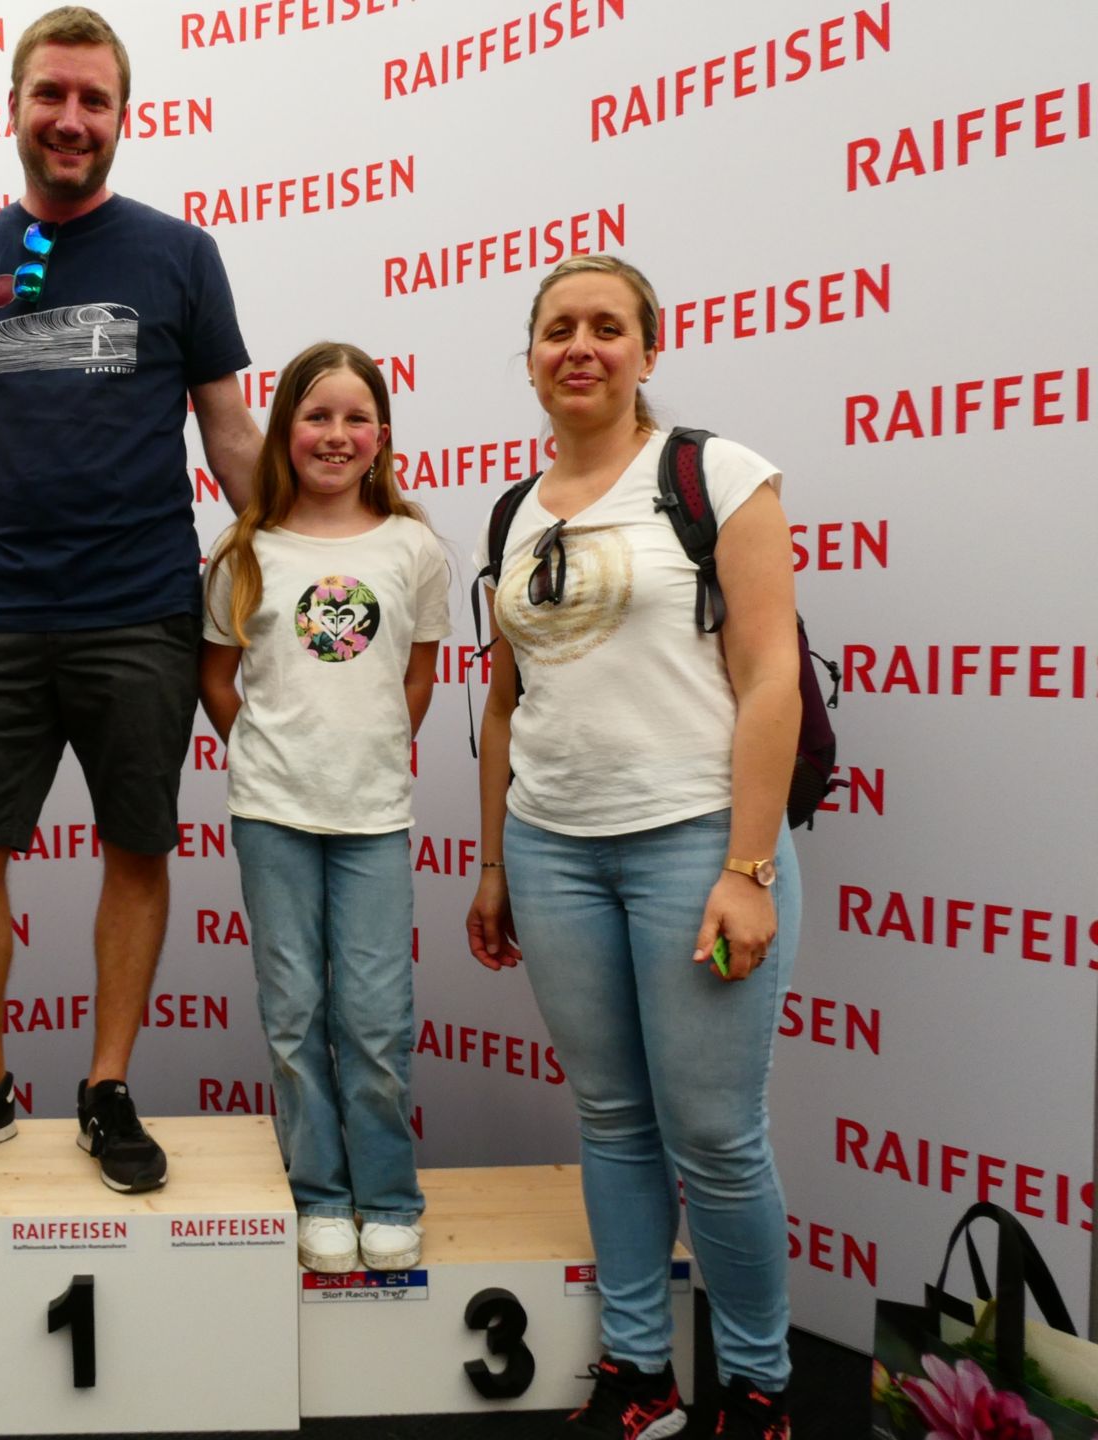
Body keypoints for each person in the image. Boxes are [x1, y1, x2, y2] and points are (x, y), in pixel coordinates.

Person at [0, 6, 261, 1193]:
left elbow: (230, 431)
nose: (71, 118)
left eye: (94, 99)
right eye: (53, 95)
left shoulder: (181, 254)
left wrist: (307, 556)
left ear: (123, 117)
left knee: (135, 849)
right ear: (15, 107)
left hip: (144, 609)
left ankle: (106, 1087)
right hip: (0, 610)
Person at [465, 254, 802, 1440]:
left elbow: (771, 678)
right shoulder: (513, 513)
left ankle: (757, 1385)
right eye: (558, 328)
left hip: (696, 845)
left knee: (714, 1138)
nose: (581, 347)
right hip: (553, 852)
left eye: (608, 327)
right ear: (530, 359)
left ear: (648, 351)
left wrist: (747, 869)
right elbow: (505, 704)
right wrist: (495, 864)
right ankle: (639, 1372)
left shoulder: (717, 476)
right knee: (610, 1119)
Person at [198, 343, 446, 1273]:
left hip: (374, 818)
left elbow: (417, 677)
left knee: (376, 1021)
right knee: (294, 1014)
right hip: (273, 816)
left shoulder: (413, 548)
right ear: (283, 432)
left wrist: (369, 749)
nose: (335, 435)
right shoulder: (245, 550)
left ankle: (388, 1197)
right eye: (316, 416)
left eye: (355, 418)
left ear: (382, 436)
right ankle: (321, 1196)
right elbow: (217, 677)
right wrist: (268, 751)